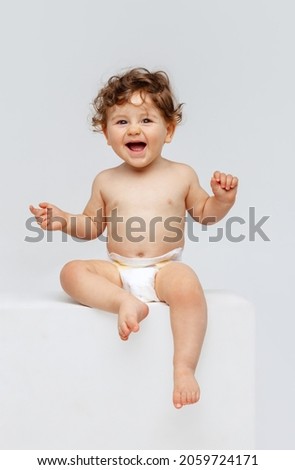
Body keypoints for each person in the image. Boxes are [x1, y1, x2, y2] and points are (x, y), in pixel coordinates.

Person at [29, 67, 238, 409]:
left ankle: (184, 367)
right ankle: (123, 302)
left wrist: (222, 201)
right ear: (105, 133)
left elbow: (204, 214)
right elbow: (92, 226)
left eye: (146, 120)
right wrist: (65, 221)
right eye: (122, 122)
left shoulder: (181, 174)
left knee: (188, 286)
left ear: (168, 130)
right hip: (119, 270)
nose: (134, 129)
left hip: (163, 270)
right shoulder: (105, 181)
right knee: (71, 272)